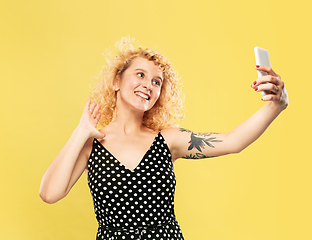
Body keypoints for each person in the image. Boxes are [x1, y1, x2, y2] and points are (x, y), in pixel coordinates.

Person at [39, 37, 289, 240]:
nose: (148, 85)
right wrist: (81, 131)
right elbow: (49, 194)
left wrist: (276, 105)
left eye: (156, 81)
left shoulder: (169, 140)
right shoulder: (91, 143)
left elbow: (233, 141)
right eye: (140, 75)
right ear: (117, 80)